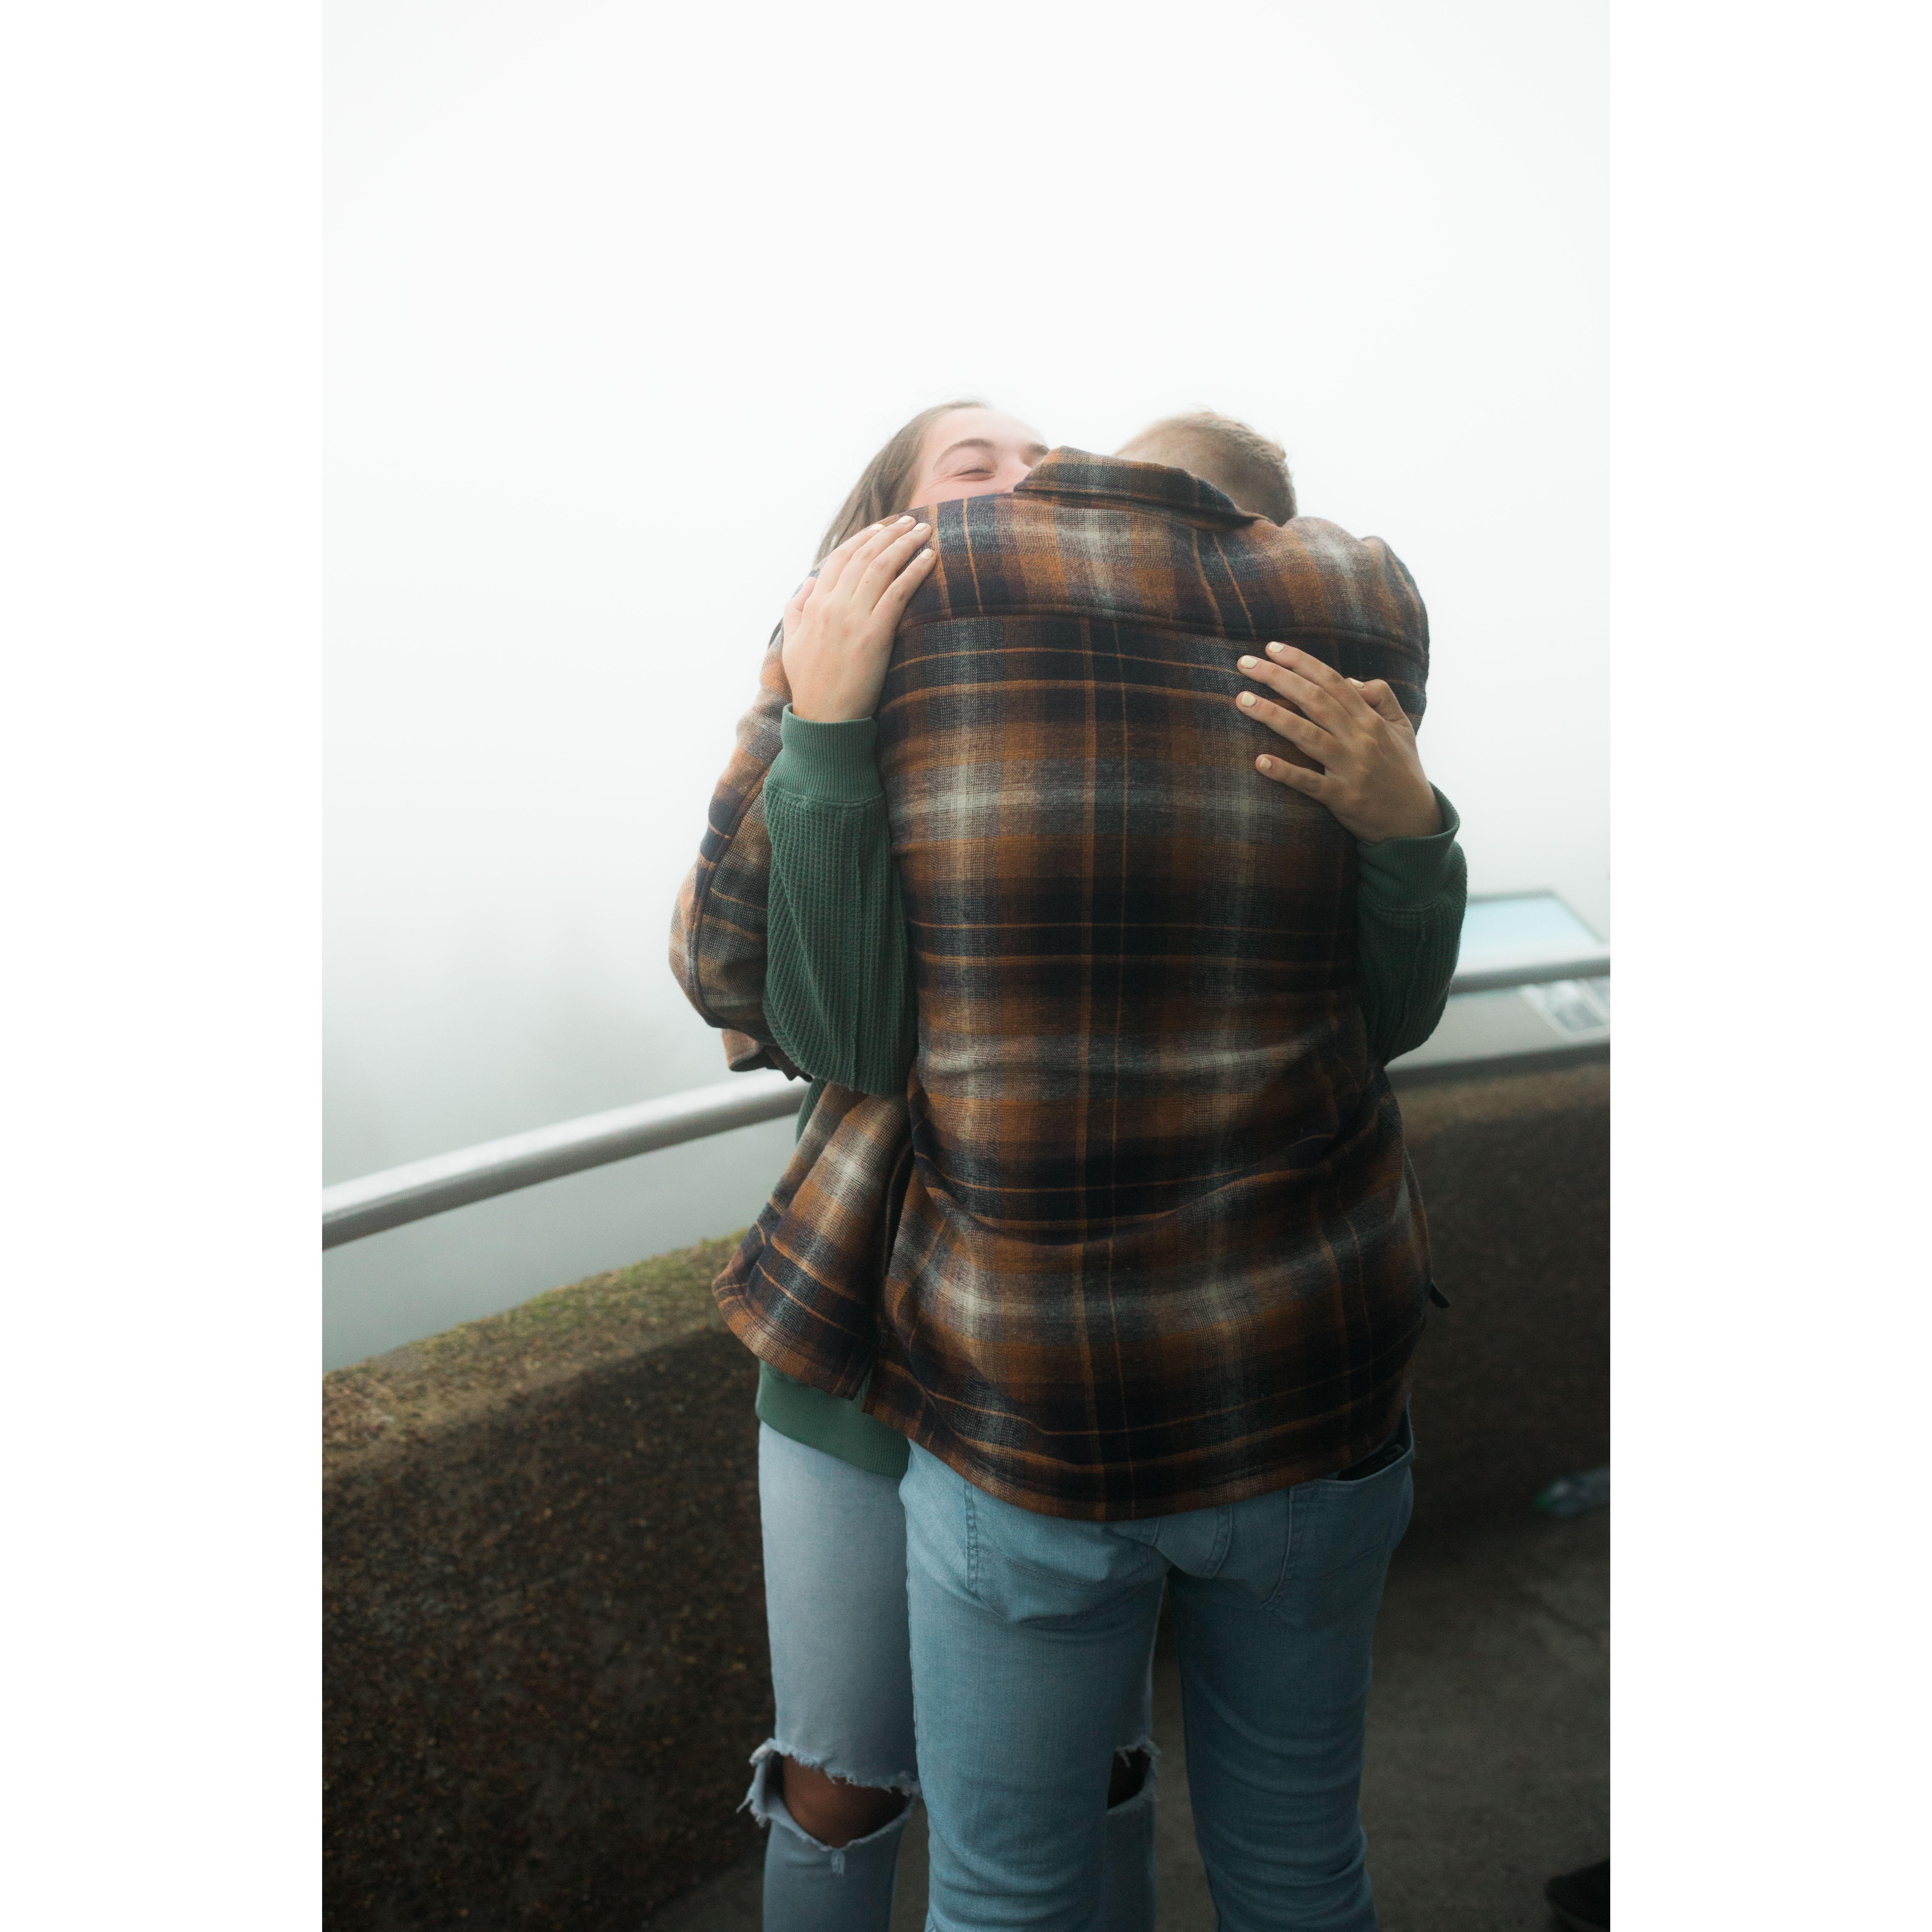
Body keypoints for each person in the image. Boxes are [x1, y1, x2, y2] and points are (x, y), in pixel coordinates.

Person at [672, 405, 1466, 1930]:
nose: (1029, 482)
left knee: (1084, 1795)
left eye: (1048, 460)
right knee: (844, 1781)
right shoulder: (888, 663)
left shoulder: (1092, 670)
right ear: (886, 521)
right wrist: (824, 721)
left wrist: (1411, 826)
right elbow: (819, 1025)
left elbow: (1368, 1017)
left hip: (1029, 1368)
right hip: (867, 1330)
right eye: (974, 467)